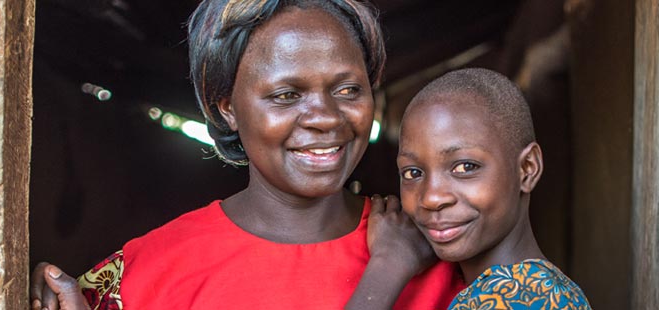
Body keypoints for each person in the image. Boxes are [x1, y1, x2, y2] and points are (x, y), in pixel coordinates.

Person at [30, 0, 465, 309]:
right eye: (286, 94)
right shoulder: (144, 277)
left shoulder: (443, 253)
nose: (326, 118)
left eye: (348, 89)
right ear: (228, 108)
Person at [395, 68, 591, 309]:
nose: (432, 197)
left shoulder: (519, 300)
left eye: (465, 167)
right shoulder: (542, 291)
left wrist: (386, 269)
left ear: (527, 168)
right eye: (413, 173)